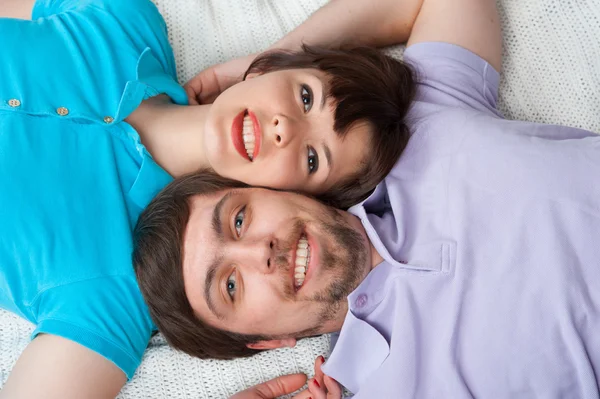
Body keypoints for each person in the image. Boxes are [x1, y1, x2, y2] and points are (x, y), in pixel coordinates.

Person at [132, 0, 600, 397]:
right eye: (231, 286)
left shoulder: (413, 123)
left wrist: (267, 65)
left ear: (266, 188)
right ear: (266, 342)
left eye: (238, 221)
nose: (261, 252)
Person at [0, 0, 419, 397]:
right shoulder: (125, 21)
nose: (283, 128)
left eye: (311, 159)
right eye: (306, 97)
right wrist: (272, 58)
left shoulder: (114, 290)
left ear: (302, 198)